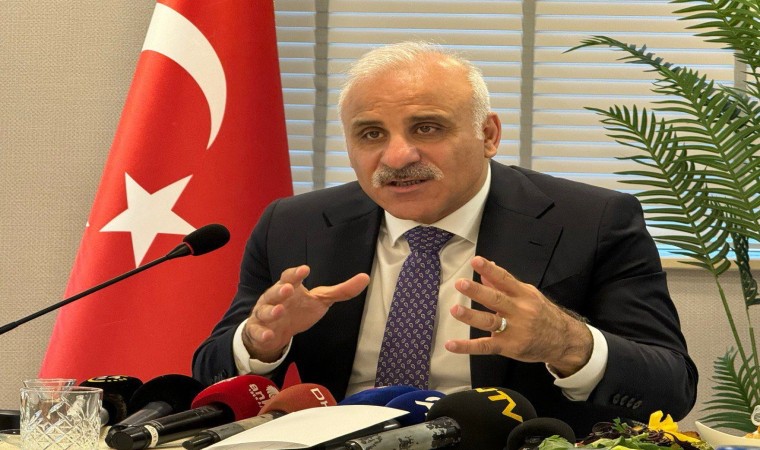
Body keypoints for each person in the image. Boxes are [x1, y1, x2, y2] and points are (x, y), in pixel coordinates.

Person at [192, 41, 697, 434]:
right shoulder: (295, 224)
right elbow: (208, 375)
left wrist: (567, 343)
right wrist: (260, 344)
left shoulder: (592, 221)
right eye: (371, 134)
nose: (397, 157)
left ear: (489, 135)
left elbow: (671, 388)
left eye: (427, 128)